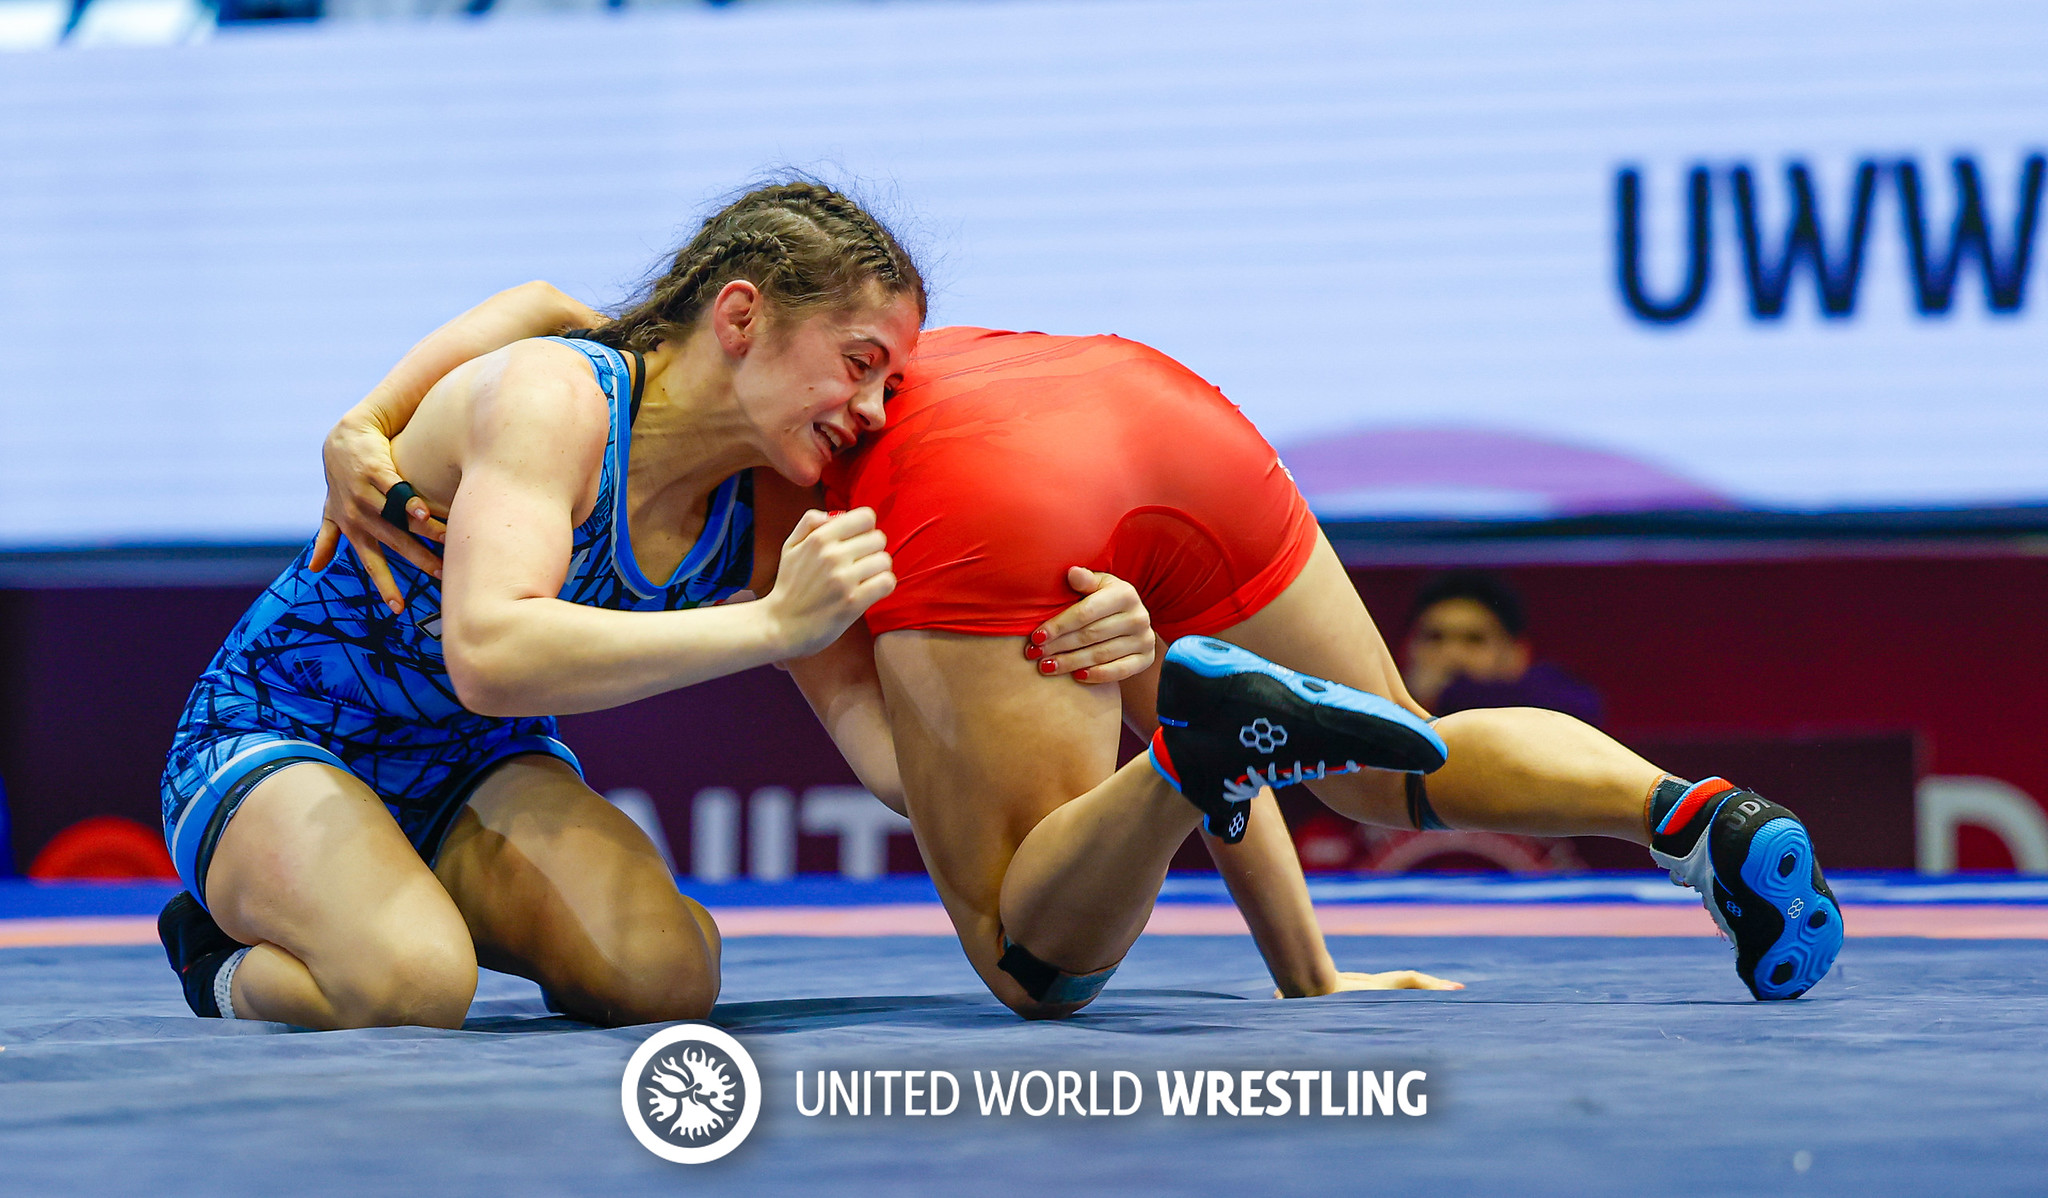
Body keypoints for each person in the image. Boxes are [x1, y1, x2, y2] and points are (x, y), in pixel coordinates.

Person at [334, 321, 1843, 1016]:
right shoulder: (751, 377)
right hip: (1158, 401)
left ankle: (1181, 759)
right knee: (1392, 756)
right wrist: (1303, 974)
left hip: (996, 488)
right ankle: (1698, 817)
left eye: (867, 368)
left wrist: (370, 420)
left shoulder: (747, 466)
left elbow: (889, 761)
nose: (847, 408)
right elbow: (542, 310)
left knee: (1031, 956)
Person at [156, 183, 1144, 1032]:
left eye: (889, 381)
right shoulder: (555, 398)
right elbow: (491, 654)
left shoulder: (761, 517)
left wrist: (1076, 665)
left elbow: (898, 768)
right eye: (858, 362)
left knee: (664, 979)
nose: (876, 410)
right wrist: (768, 626)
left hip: (471, 765)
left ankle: (401, 895)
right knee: (411, 983)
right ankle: (219, 955)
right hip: (279, 736)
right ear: (742, 316)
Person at [1404, 570, 1604, 725]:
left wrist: (1445, 695)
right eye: (1434, 638)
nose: (1452, 655)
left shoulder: (1556, 702)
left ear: (1516, 654)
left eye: (1474, 640)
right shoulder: (1378, 712)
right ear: (1410, 648)